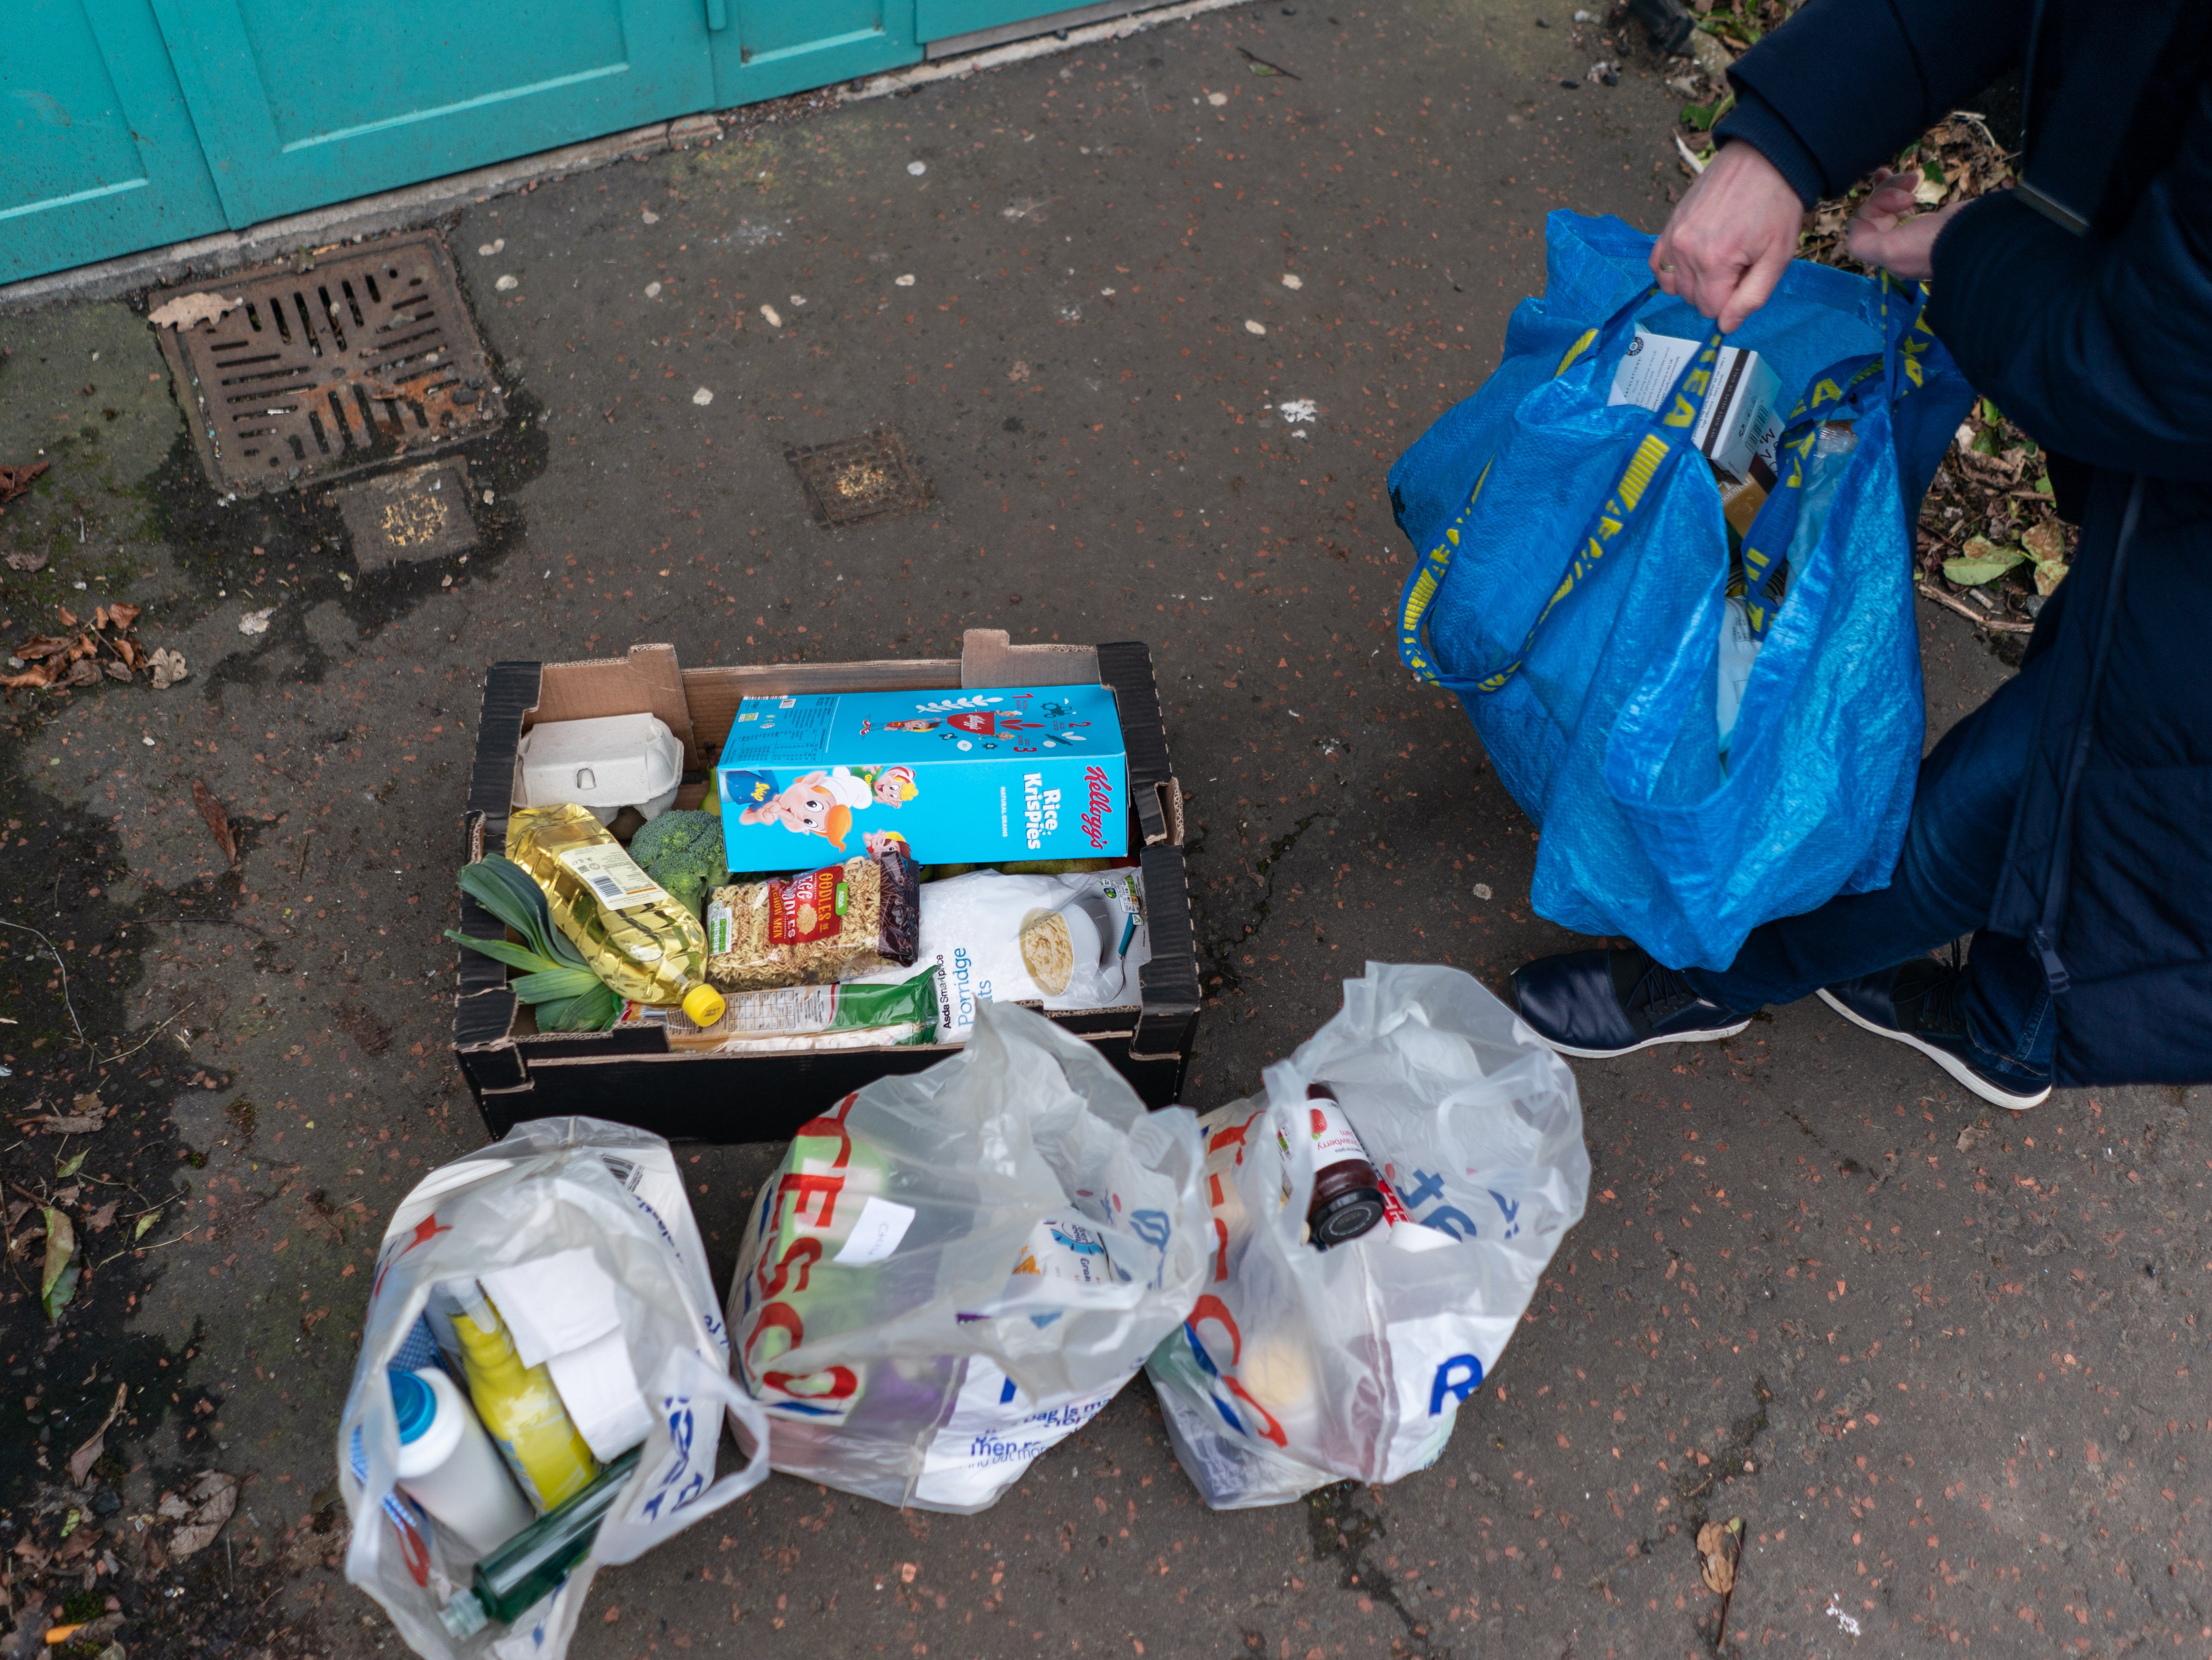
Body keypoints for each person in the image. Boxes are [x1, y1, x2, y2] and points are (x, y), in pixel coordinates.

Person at [1510, 0, 2212, 1106]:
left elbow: (2155, 364)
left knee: (2005, 797)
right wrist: (1787, 139)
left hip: (2167, 409)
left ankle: (1718, 972)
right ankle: (2013, 1021)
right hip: (2163, 446)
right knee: (2096, 692)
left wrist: (1970, 248)